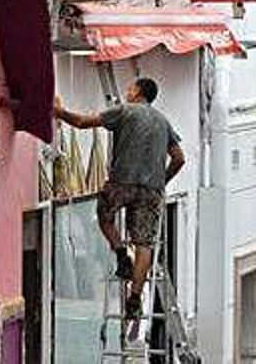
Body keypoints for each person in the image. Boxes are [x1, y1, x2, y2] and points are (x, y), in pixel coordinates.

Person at [53, 78, 185, 320]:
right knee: (145, 243)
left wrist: (59, 112)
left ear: (137, 92)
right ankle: (135, 297)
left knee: (105, 216)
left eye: (130, 88)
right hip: (151, 191)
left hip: (121, 183)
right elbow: (179, 158)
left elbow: (83, 122)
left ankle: (121, 253)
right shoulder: (163, 122)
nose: (127, 92)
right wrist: (161, 182)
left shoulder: (124, 111)